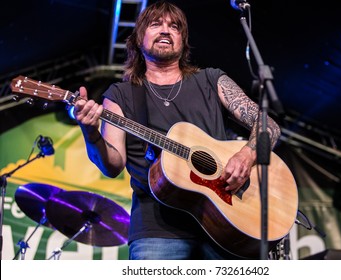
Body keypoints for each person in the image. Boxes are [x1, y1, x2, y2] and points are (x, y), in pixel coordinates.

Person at [74, 0, 281, 260]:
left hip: (227, 221)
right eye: (155, 24)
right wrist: (90, 132)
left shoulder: (212, 80)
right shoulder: (120, 95)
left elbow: (268, 125)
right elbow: (113, 165)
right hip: (157, 230)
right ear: (139, 38)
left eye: (174, 27)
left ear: (183, 41)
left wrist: (247, 155)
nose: (165, 30)